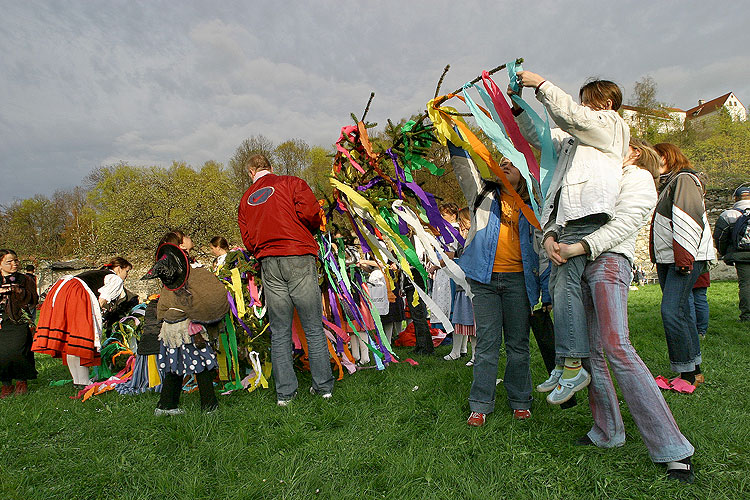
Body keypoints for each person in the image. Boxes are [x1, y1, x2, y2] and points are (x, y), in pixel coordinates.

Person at [554, 137, 696, 483]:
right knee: (590, 351)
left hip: (609, 261)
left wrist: (581, 246)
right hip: (576, 261)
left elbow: (626, 223)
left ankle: (674, 449)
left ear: (632, 151)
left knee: (617, 346)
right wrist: (553, 237)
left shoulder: (637, 177)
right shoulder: (595, 175)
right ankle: (607, 431)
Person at [513, 72, 629, 404]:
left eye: (586, 102)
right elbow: (539, 137)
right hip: (568, 220)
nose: (581, 107)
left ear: (604, 104)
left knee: (563, 291)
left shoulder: (610, 125)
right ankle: (567, 362)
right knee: (560, 289)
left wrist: (540, 83)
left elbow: (572, 115)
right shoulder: (573, 140)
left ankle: (572, 363)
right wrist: (518, 106)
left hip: (587, 215)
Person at [448, 138, 546, 425]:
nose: (505, 164)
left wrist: (547, 293)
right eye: (502, 162)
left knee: (518, 344)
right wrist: (454, 139)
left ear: (524, 174)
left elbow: (543, 249)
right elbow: (465, 170)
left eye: (512, 163)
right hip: (485, 282)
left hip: (519, 283)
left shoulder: (534, 207)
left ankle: (520, 400)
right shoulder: (482, 196)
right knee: (488, 343)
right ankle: (480, 404)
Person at [237, 153, 334, 405]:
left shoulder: (245, 199)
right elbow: (312, 214)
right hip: (298, 255)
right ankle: (323, 387)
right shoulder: (292, 183)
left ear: (251, 173)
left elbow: (247, 239)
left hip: (269, 262)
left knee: (280, 330)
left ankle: (285, 394)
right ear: (270, 167)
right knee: (312, 325)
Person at [650, 143, 715, 387]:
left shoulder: (684, 179)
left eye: (655, 158)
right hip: (672, 257)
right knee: (683, 312)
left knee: (672, 311)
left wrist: (684, 259)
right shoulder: (669, 183)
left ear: (666, 157)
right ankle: (694, 369)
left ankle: (686, 375)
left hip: (684, 256)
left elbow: (688, 218)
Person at [142, 241, 227, 415]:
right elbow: (207, 297)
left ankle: (166, 405)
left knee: (175, 367)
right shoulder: (192, 276)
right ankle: (209, 406)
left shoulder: (170, 284)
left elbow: (163, 309)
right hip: (187, 330)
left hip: (170, 330)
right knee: (202, 365)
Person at [33, 257, 132, 388]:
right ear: (119, 268)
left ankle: (78, 381)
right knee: (82, 339)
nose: (126, 276)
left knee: (71, 341)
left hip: (64, 290)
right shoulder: (115, 278)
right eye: (127, 271)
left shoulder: (97, 274)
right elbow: (102, 300)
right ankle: (84, 381)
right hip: (77, 294)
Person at [0, 250, 39, 397]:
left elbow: (34, 300)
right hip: (1, 321)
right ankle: (6, 384)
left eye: (15, 260)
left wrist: (18, 291)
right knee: (1, 354)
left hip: (18, 320)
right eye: (9, 262)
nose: (14, 264)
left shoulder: (25, 279)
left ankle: (21, 382)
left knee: (19, 352)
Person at [443, 208, 476, 364]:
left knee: (474, 322)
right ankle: (459, 351)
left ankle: (476, 355)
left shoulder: (476, 236)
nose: (461, 224)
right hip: (462, 284)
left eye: (464, 220)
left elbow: (466, 255)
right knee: (463, 319)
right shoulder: (465, 236)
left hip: (472, 285)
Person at [713, 184, 750, 322]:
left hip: (742, 255)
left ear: (735, 198)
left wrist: (724, 254)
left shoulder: (729, 214)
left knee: (746, 285)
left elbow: (720, 237)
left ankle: (747, 316)